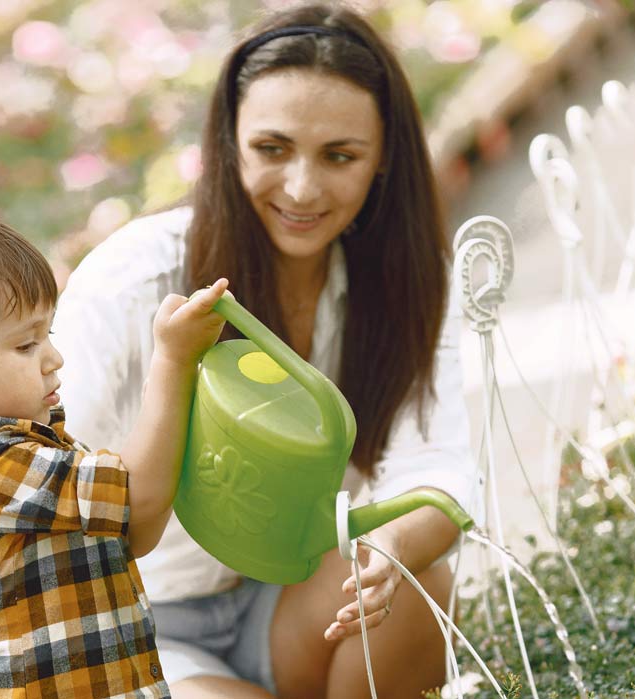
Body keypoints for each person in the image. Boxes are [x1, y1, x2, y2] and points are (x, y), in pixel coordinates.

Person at [50, 3, 484, 698]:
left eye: (339, 156)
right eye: (272, 149)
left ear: (383, 160)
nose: (303, 189)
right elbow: (48, 488)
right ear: (228, 142)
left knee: (418, 587)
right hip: (137, 623)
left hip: (286, 602)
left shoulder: (405, 282)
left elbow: (438, 466)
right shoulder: (134, 280)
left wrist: (393, 546)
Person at [0, 211, 229, 698]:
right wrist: (173, 361)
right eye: (26, 344)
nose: (53, 359)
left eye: (48, 336)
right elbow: (138, 498)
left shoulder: (36, 442)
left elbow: (133, 533)